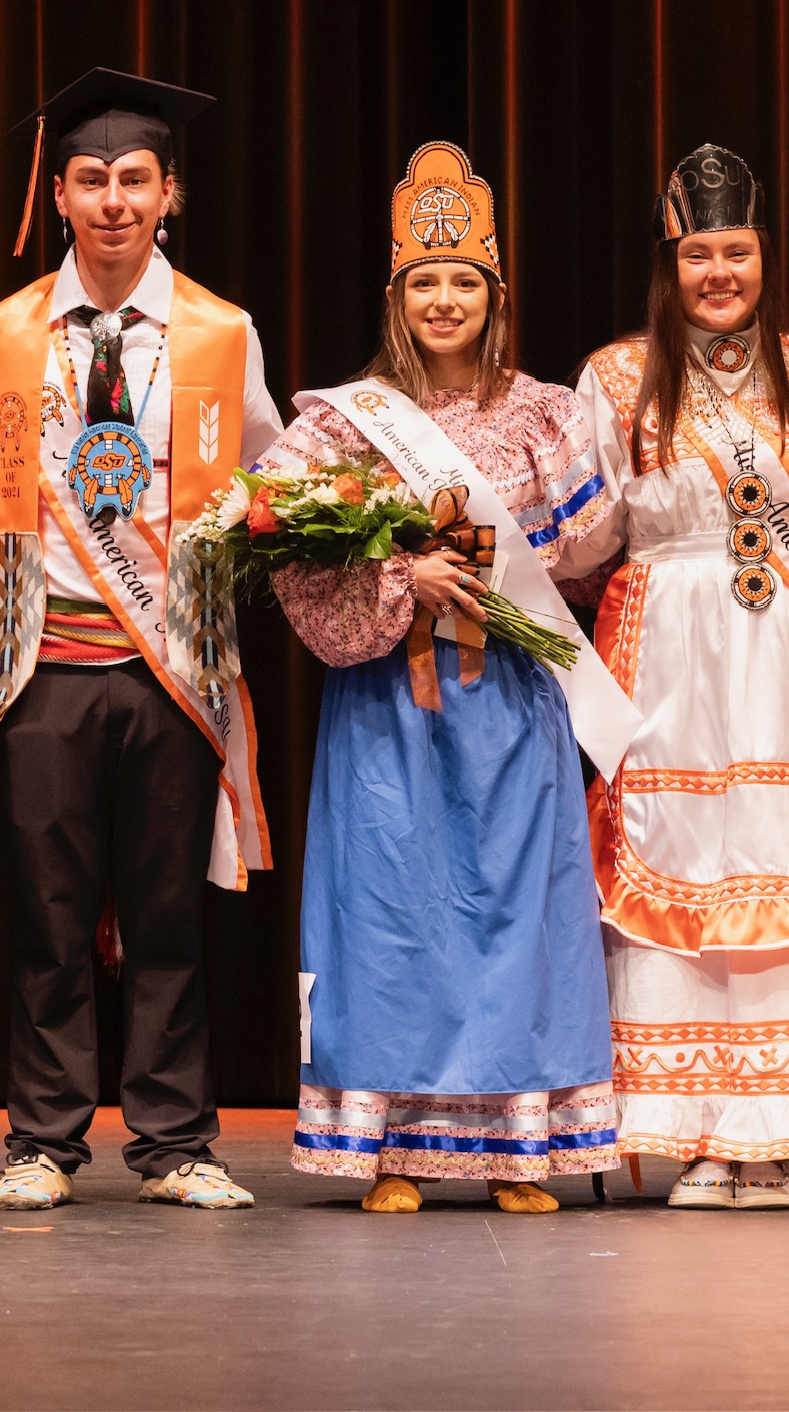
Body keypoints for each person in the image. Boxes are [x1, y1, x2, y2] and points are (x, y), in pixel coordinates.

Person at [263, 142, 636, 1214]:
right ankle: (395, 1152)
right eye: (423, 283)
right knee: (393, 914)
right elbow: (289, 543)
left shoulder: (548, 413)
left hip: (509, 700)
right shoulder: (341, 422)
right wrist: (399, 570)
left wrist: (491, 558)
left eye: (462, 282)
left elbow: (587, 547)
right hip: (390, 706)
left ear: (494, 295)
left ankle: (519, 1146)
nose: (442, 300)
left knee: (517, 909)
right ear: (396, 297)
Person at [557, 144, 789, 1210]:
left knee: (787, 862)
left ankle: (774, 1132)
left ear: (764, 257)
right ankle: (694, 1127)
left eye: (737, 252)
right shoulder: (615, 375)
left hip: (786, 646)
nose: (719, 273)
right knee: (681, 872)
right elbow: (591, 528)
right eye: (698, 253)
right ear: (671, 262)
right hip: (667, 642)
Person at [0, 69, 283, 1212]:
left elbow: (268, 469)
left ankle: (175, 1141)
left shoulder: (219, 329)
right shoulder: (4, 334)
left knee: (165, 915)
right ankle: (43, 1143)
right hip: (43, 659)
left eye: (134, 181)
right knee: (47, 914)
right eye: (91, 180)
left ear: (170, 195)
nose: (113, 202)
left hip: (171, 665)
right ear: (58, 194)